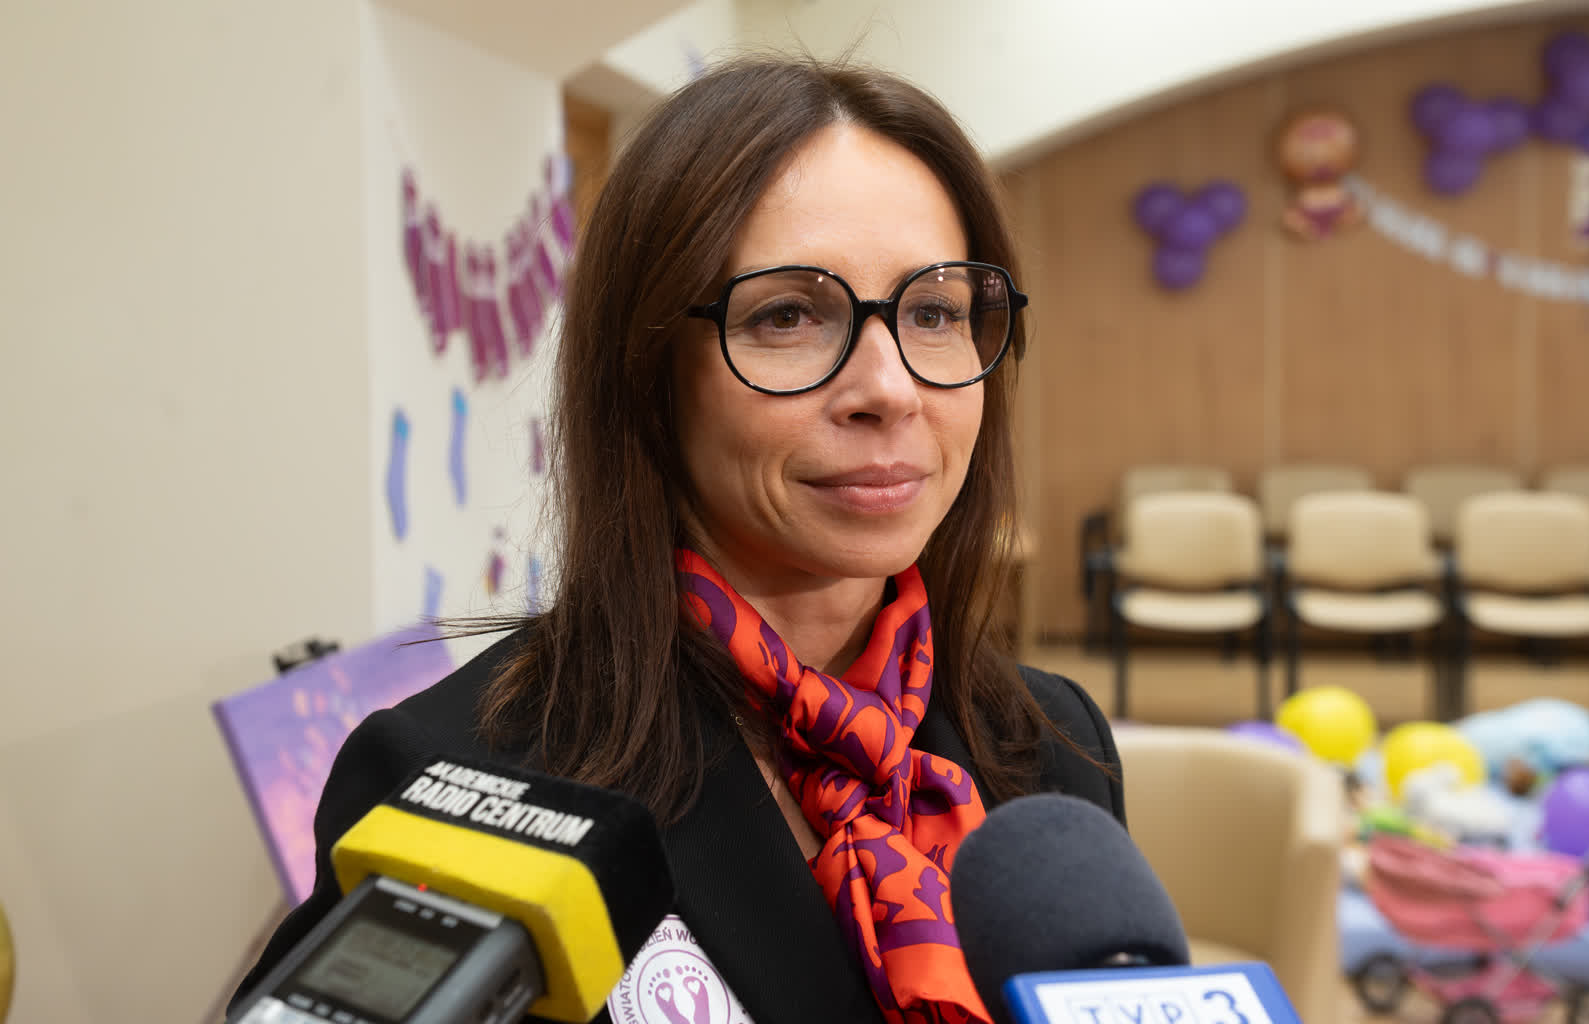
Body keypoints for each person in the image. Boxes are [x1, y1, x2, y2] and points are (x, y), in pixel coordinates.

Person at [231, 55, 1124, 1024]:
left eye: (935, 312)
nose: (890, 389)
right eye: (788, 314)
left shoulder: (1052, 744)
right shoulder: (468, 773)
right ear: (650, 372)